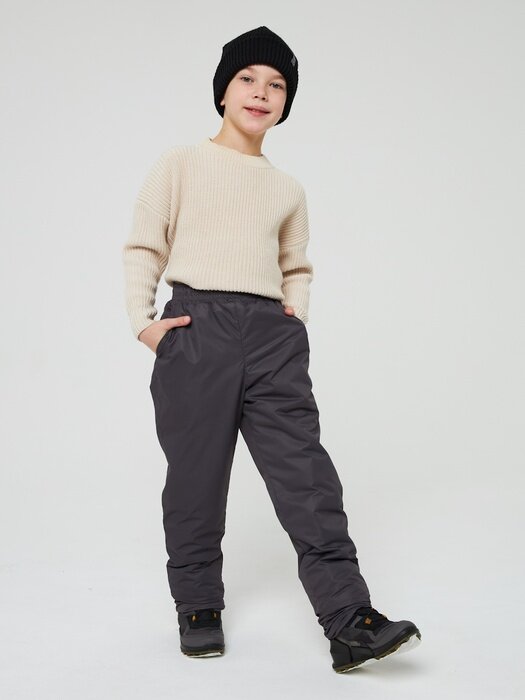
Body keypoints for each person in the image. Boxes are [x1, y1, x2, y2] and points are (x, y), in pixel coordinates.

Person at [122, 25, 421, 673]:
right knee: (197, 476)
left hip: (270, 336)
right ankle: (198, 605)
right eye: (247, 79)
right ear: (223, 91)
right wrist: (143, 322)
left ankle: (349, 619)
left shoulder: (286, 188)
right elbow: (145, 243)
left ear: (286, 102)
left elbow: (296, 265)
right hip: (196, 326)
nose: (261, 92)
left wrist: (295, 317)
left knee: (306, 476)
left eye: (277, 84)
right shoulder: (181, 162)